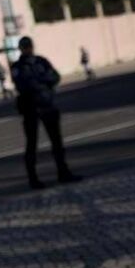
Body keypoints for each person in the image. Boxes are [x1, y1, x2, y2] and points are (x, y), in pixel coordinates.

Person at [12, 36, 82, 189]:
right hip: (31, 109)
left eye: (29, 46)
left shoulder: (40, 61)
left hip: (47, 105)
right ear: (21, 49)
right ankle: (33, 178)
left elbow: (55, 76)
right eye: (25, 47)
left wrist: (39, 81)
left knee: (57, 142)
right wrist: (41, 82)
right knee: (32, 145)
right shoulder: (18, 66)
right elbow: (23, 85)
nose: (28, 49)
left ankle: (63, 172)